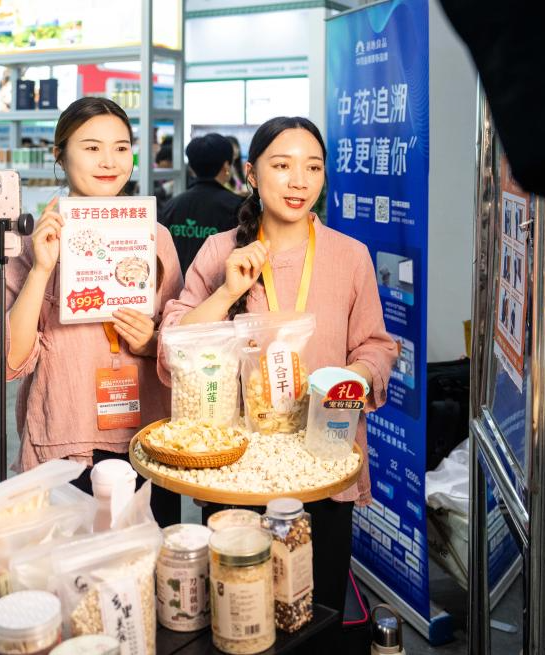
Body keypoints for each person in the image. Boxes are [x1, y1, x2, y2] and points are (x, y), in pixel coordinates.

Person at [158, 116, 398, 623]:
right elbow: (175, 346)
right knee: (239, 605)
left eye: (313, 167)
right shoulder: (221, 250)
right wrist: (227, 291)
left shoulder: (350, 256)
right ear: (250, 173)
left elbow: (377, 346)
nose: (299, 181)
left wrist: (352, 377)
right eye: (282, 165)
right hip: (236, 465)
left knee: (320, 606)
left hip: (323, 458)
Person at [0, 97, 185, 527]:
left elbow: (181, 341)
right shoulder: (30, 241)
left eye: (121, 147)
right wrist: (42, 269)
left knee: (150, 569)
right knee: (74, 575)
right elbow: (7, 362)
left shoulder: (156, 235)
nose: (109, 161)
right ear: (60, 155)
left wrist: (151, 343)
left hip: (149, 438)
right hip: (67, 441)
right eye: (91, 147)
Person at [159, 133, 242, 274]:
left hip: (175, 292)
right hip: (220, 291)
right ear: (226, 165)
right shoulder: (236, 206)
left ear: (191, 167)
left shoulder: (171, 206)